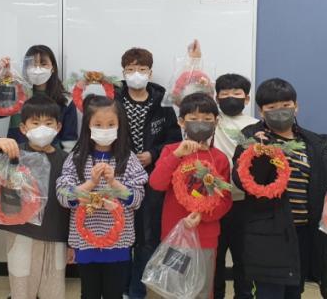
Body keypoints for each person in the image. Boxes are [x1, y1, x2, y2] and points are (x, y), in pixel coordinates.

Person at [232, 78, 327, 299]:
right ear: (261, 111)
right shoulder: (251, 138)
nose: (280, 111)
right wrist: (258, 153)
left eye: (286, 105)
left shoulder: (312, 142)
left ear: (296, 106)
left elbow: (325, 189)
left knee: (294, 292)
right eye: (271, 107)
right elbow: (242, 181)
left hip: (304, 232)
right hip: (268, 234)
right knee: (268, 292)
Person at [0, 95, 71, 298]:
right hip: (20, 234)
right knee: (21, 290)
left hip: (56, 237)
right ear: (23, 128)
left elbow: (72, 205)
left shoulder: (67, 160)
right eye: (35, 123)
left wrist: (71, 242)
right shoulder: (13, 153)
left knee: (53, 291)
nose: (42, 128)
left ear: (58, 127)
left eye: (48, 123)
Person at [56, 95, 148, 299]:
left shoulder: (128, 159)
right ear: (88, 126)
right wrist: (90, 183)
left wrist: (114, 183)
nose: (104, 129)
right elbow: (63, 194)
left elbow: (137, 198)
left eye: (111, 124)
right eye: (98, 124)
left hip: (119, 243)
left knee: (114, 293)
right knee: (89, 293)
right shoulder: (76, 158)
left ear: (120, 126)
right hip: (85, 242)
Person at [150, 92, 233, 299]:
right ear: (181, 122)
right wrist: (177, 155)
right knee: (172, 288)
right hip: (176, 236)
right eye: (193, 119)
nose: (200, 124)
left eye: (207, 119)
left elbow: (224, 200)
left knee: (201, 290)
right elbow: (156, 183)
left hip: (205, 237)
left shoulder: (220, 159)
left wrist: (203, 214)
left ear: (216, 122)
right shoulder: (171, 150)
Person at [114, 47, 182, 299]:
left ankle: (137, 291)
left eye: (141, 69)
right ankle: (120, 288)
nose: (136, 74)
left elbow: (174, 139)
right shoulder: (113, 100)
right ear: (123, 72)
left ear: (150, 72)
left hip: (154, 178)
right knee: (121, 234)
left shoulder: (163, 103)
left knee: (147, 236)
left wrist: (153, 154)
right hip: (119, 177)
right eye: (130, 69)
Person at [213, 73, 259, 299]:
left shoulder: (256, 126)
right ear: (216, 98)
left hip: (246, 202)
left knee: (245, 257)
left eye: (236, 93)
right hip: (215, 200)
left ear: (247, 98)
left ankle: (244, 295)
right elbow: (183, 97)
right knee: (215, 257)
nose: (231, 97)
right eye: (225, 94)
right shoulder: (212, 120)